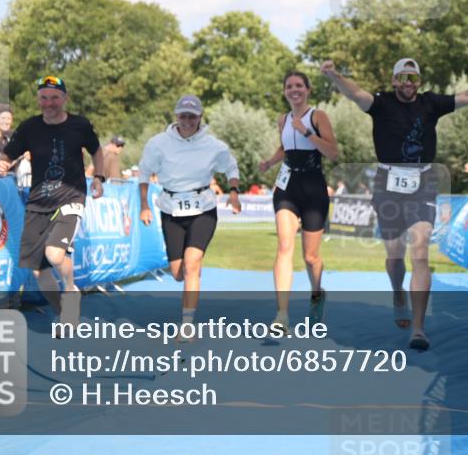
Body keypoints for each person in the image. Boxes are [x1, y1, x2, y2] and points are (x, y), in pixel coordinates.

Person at [321, 57, 468, 350]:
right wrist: (334, 76)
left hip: (422, 184)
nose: (408, 83)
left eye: (413, 78)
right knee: (394, 255)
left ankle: (418, 328)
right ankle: (397, 291)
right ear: (394, 80)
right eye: (402, 77)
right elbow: (355, 93)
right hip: (388, 185)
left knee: (420, 252)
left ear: (419, 81)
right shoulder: (381, 103)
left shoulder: (431, 103)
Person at [0, 76, 105, 326]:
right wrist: (3, 162)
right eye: (44, 98)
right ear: (38, 99)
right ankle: (65, 314)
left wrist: (99, 178)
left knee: (55, 255)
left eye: (54, 98)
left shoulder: (79, 124)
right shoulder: (29, 127)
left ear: (65, 98)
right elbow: (8, 154)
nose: (49, 103)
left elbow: (96, 150)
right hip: (38, 203)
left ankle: (71, 289)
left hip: (71, 197)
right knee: (38, 270)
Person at [138, 94, 242, 336]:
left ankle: (187, 325)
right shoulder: (158, 143)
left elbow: (231, 167)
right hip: (170, 209)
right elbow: (144, 173)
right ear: (176, 116)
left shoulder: (214, 145)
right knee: (178, 273)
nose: (187, 121)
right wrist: (144, 205)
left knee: (192, 264)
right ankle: (190, 274)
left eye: (192, 116)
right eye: (183, 115)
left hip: (203, 208)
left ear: (200, 117)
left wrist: (234, 192)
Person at [258, 71, 339, 334]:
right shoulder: (283, 119)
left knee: (310, 257)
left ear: (308, 89)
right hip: (287, 188)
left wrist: (307, 132)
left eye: (299, 86)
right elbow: (285, 148)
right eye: (290, 86)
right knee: (284, 246)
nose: (294, 90)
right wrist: (270, 162)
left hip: (314, 189)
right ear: (284, 91)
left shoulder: (318, 116)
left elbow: (333, 152)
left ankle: (317, 293)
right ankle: (281, 315)